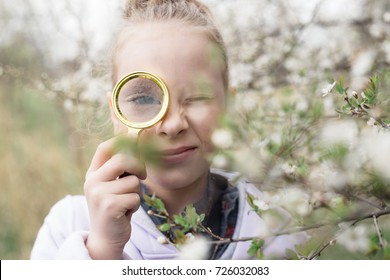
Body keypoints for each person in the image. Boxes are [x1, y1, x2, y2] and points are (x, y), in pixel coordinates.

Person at [31, 0, 306, 260]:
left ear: (228, 106)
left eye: (198, 96)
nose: (173, 124)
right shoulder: (68, 224)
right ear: (116, 112)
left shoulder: (280, 225)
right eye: (144, 98)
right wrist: (101, 250)